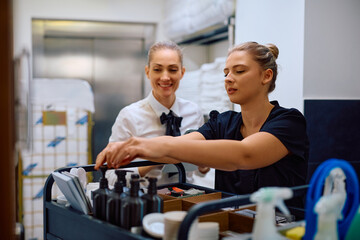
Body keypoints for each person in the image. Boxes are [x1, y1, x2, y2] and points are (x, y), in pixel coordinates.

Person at [96, 41, 309, 208]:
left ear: (266, 76)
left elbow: (245, 154)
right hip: (234, 226)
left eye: (239, 71)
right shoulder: (222, 122)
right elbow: (180, 147)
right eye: (226, 73)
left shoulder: (289, 122)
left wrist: (140, 145)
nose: (228, 79)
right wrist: (134, 149)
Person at [105, 40, 208, 186]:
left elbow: (200, 171)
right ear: (148, 72)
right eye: (158, 69)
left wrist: (204, 165)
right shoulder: (129, 116)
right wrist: (155, 161)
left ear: (182, 73)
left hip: (185, 200)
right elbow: (111, 176)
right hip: (144, 202)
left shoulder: (194, 112)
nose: (165, 77)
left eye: (172, 70)